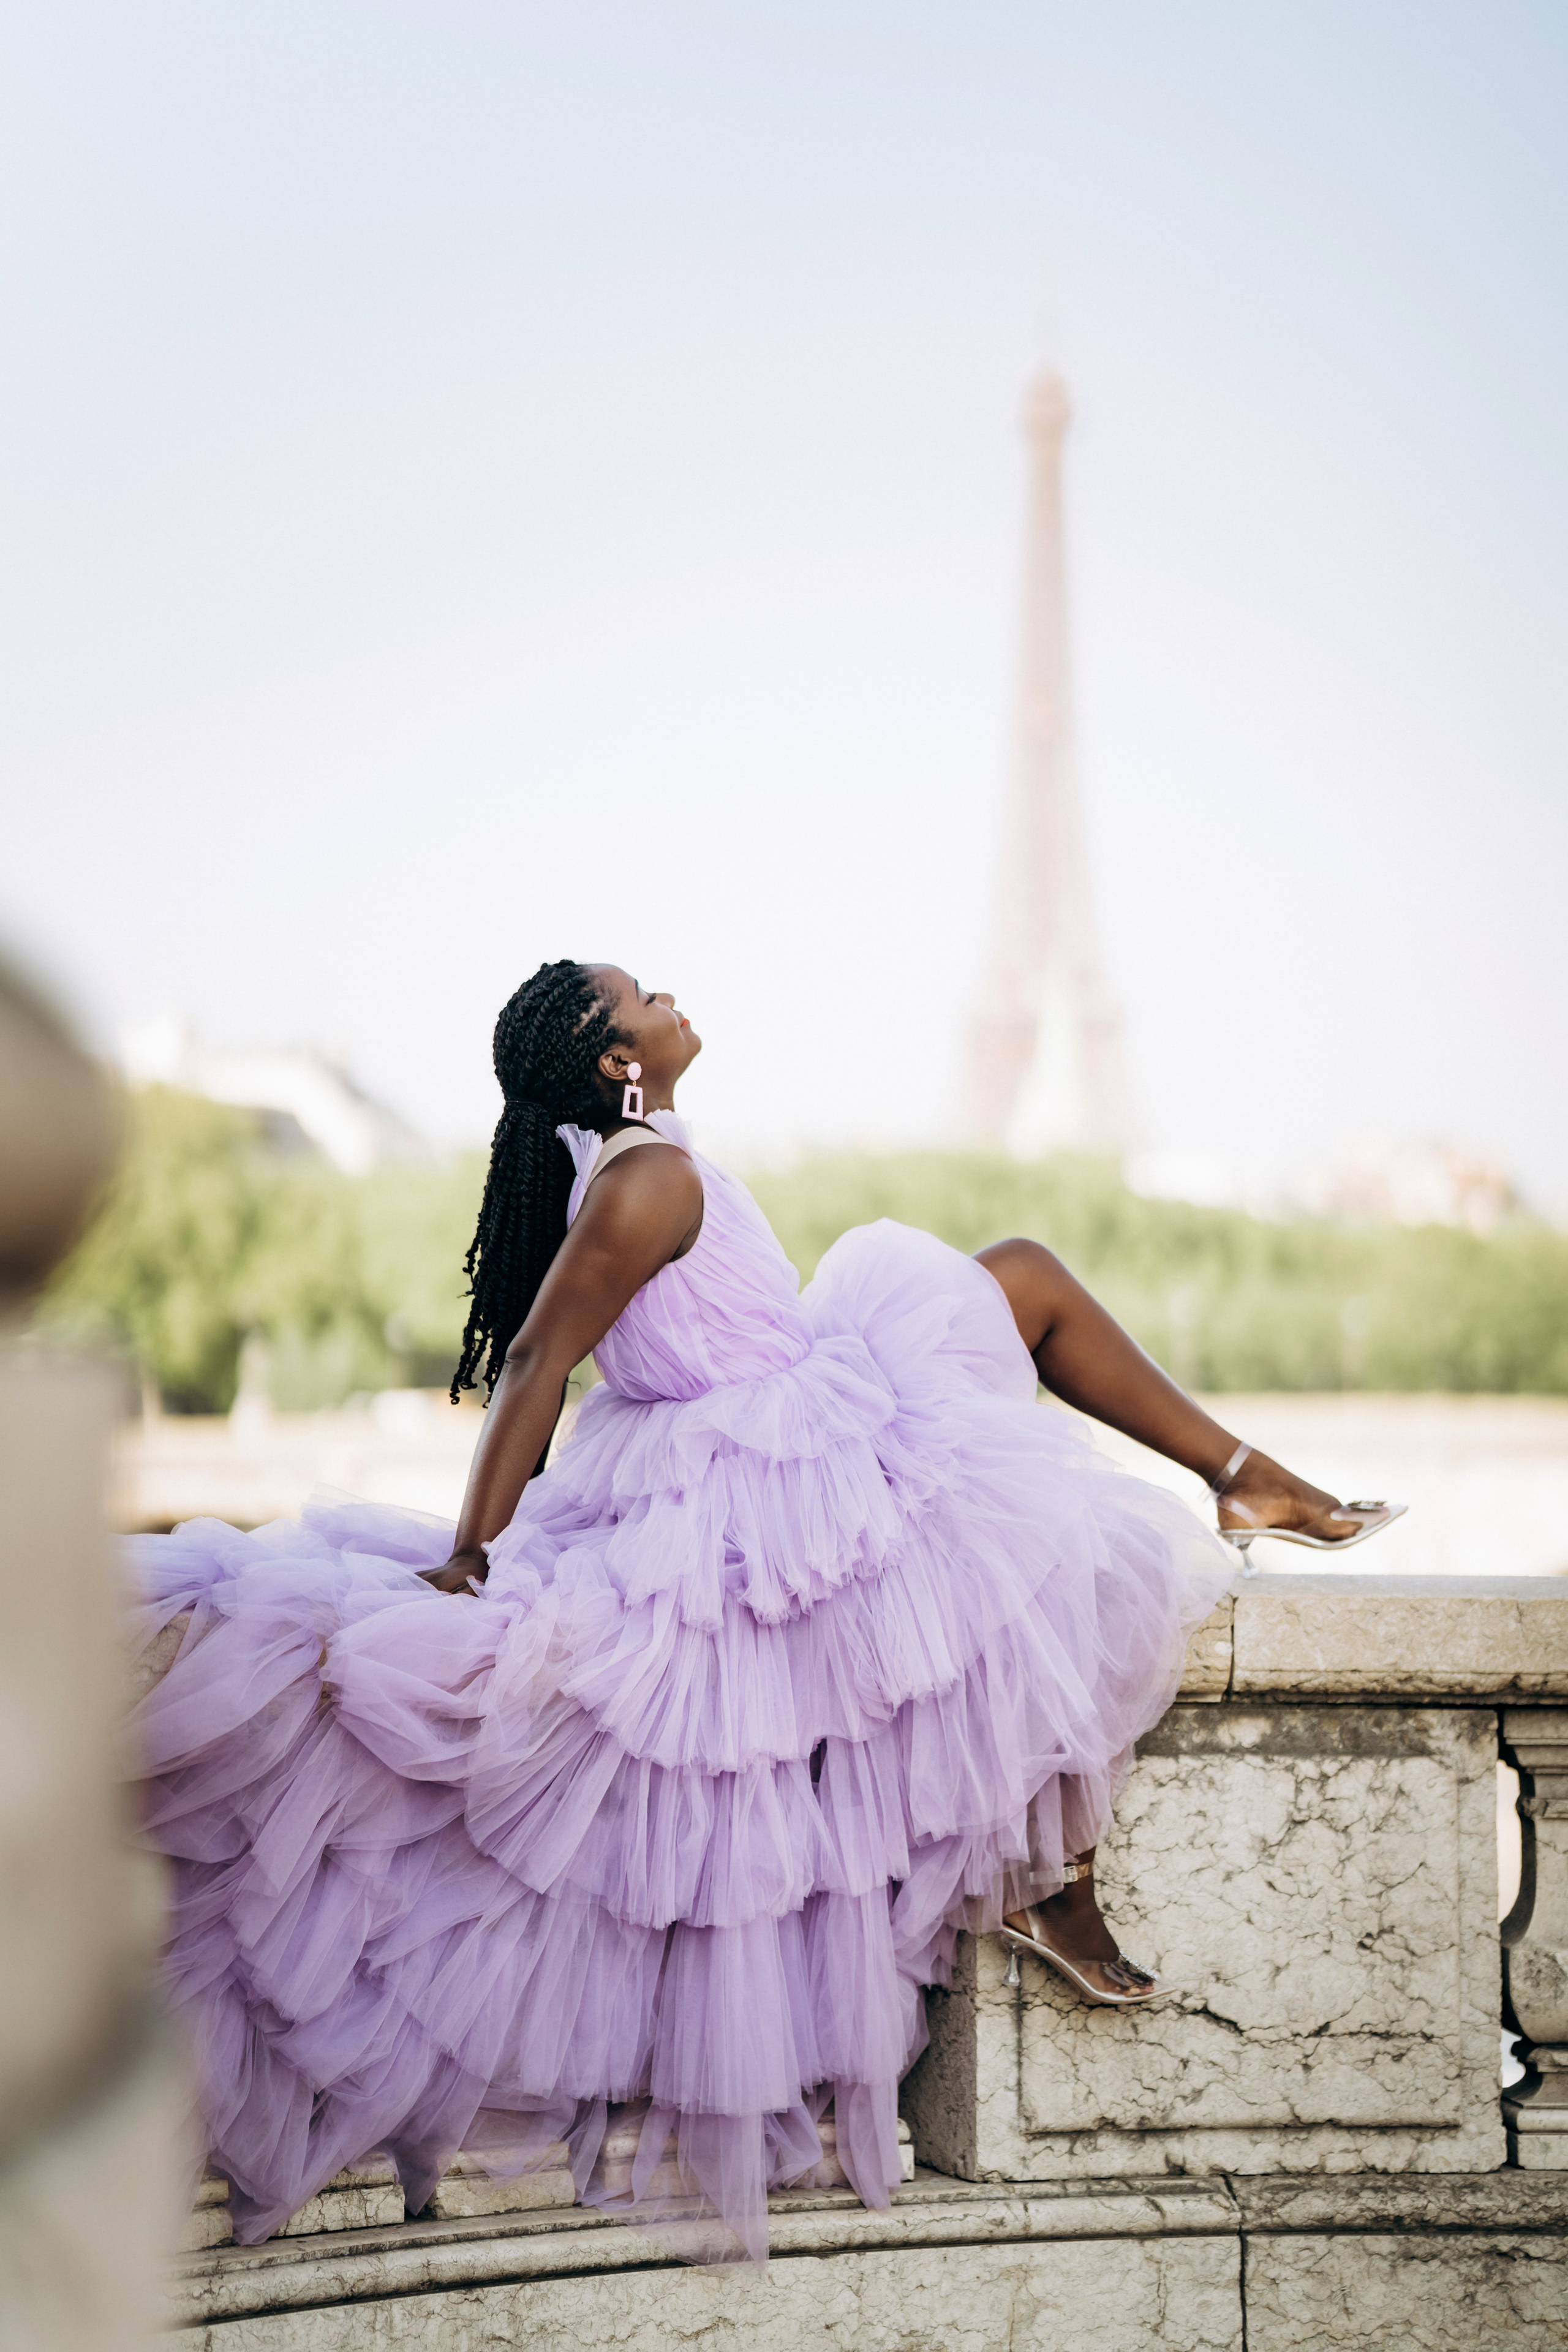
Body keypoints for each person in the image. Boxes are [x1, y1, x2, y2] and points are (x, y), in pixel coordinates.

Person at [129, 959, 1400, 2261]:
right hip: (766, 1471)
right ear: (618, 1060)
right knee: (1018, 1518)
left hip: (778, 1424)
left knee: (1011, 1362)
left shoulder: (643, 1161)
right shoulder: (646, 1178)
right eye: (640, 995)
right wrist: (469, 1555)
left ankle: (1220, 1526)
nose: (669, 992)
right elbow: (536, 1363)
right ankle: (1066, 1818)